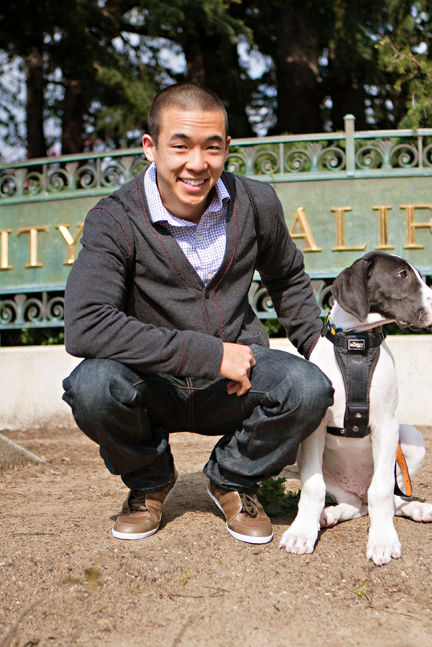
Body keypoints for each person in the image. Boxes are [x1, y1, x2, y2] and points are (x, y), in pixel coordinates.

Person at [61, 82, 333, 545]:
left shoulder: (256, 203)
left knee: (310, 388)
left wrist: (325, 355)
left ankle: (232, 477)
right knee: (92, 387)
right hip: (152, 381)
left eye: (212, 147)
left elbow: (286, 278)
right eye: (180, 145)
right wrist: (210, 355)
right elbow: (85, 323)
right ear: (150, 148)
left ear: (227, 148)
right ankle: (149, 481)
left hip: (236, 381)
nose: (197, 163)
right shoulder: (114, 218)